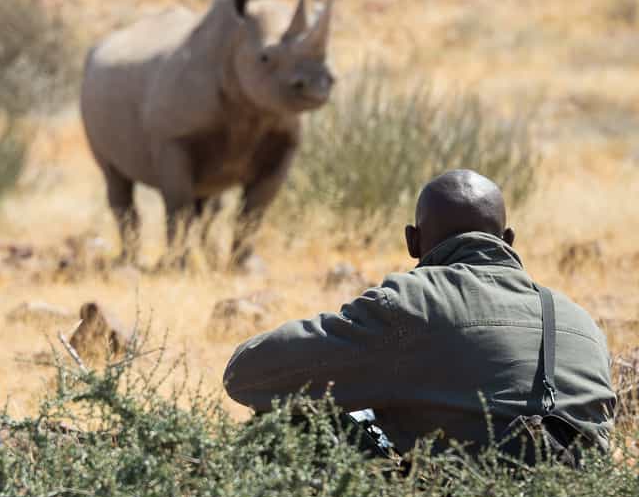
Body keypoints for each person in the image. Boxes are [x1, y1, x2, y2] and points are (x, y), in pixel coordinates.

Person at [223, 169, 615, 456]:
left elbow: (248, 374)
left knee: (291, 424)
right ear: (509, 241)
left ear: (413, 241)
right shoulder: (581, 321)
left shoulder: (413, 302)